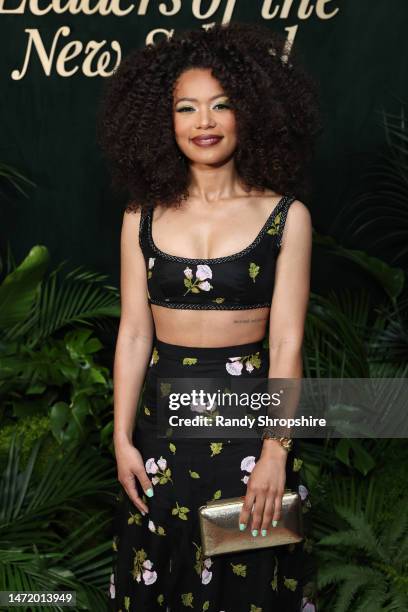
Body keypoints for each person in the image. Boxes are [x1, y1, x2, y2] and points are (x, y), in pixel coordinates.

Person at [98, 21, 321, 612]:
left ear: (247, 112)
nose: (204, 123)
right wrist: (122, 439)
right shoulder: (139, 217)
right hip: (161, 435)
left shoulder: (285, 217)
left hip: (249, 424)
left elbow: (289, 345)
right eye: (187, 108)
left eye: (221, 106)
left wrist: (277, 451)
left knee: (246, 581)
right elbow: (134, 333)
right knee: (161, 577)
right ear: (162, 121)